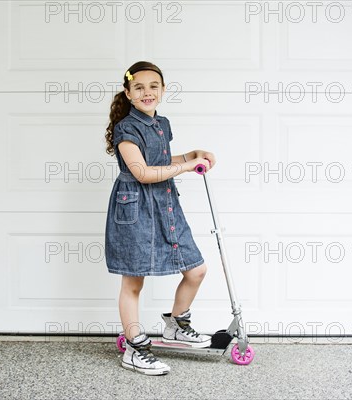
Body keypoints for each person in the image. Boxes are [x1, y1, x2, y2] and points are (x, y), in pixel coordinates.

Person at [104, 61, 216, 376]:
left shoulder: (162, 123)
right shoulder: (127, 128)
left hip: (166, 205)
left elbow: (164, 161)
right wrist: (184, 168)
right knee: (133, 280)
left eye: (154, 86)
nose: (147, 92)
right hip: (135, 209)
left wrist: (193, 155)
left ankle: (176, 325)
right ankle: (134, 346)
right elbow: (141, 172)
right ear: (128, 93)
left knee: (196, 269)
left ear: (163, 90)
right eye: (139, 87)